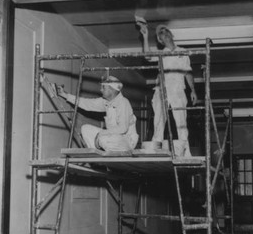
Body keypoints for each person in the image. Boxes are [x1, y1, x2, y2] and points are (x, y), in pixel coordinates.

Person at [138, 19, 197, 156]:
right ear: (160, 40)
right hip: (162, 89)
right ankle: (155, 151)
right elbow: (147, 56)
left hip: (178, 90)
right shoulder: (160, 54)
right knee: (158, 121)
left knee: (181, 121)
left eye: (167, 32)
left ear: (171, 35)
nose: (165, 35)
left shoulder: (183, 52)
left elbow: (188, 72)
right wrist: (146, 36)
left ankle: (185, 152)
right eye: (161, 34)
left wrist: (193, 90)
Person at [56, 75, 138, 152]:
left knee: (103, 139)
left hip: (126, 141)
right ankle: (97, 157)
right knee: (85, 129)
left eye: (103, 87)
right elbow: (86, 103)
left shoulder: (123, 103)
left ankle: (110, 158)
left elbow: (122, 128)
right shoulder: (106, 102)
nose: (101, 90)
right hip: (112, 137)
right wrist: (64, 94)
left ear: (111, 90)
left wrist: (102, 133)